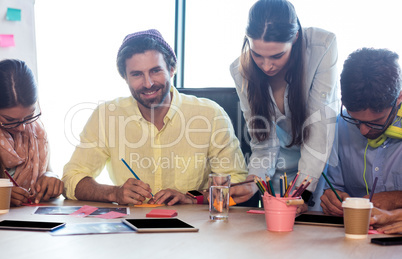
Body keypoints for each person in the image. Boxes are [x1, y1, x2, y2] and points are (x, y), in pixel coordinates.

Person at [62, 29, 251, 206]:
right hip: (131, 231)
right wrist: (114, 193)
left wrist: (192, 197)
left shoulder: (211, 115)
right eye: (137, 74)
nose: (148, 83)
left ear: (171, 69)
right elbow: (71, 179)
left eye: (155, 71)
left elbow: (237, 182)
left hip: (196, 230)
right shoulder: (106, 115)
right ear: (125, 77)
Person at [230, 0, 338, 209]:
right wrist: (254, 183)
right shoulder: (240, 70)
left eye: (277, 56)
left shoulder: (323, 46)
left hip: (319, 165)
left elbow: (319, 131)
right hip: (278, 169)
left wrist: (302, 193)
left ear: (295, 37)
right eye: (257, 55)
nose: (267, 66)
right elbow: (263, 142)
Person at [320, 48, 402, 216]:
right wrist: (331, 198)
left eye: (376, 122)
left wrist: (396, 199)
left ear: (399, 97)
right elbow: (333, 188)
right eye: (355, 120)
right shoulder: (338, 127)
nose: (363, 131)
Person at [0, 59, 64, 206]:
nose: (22, 128)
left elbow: (48, 170)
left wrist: (50, 177)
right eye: (10, 120)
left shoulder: (36, 132)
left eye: (29, 117)